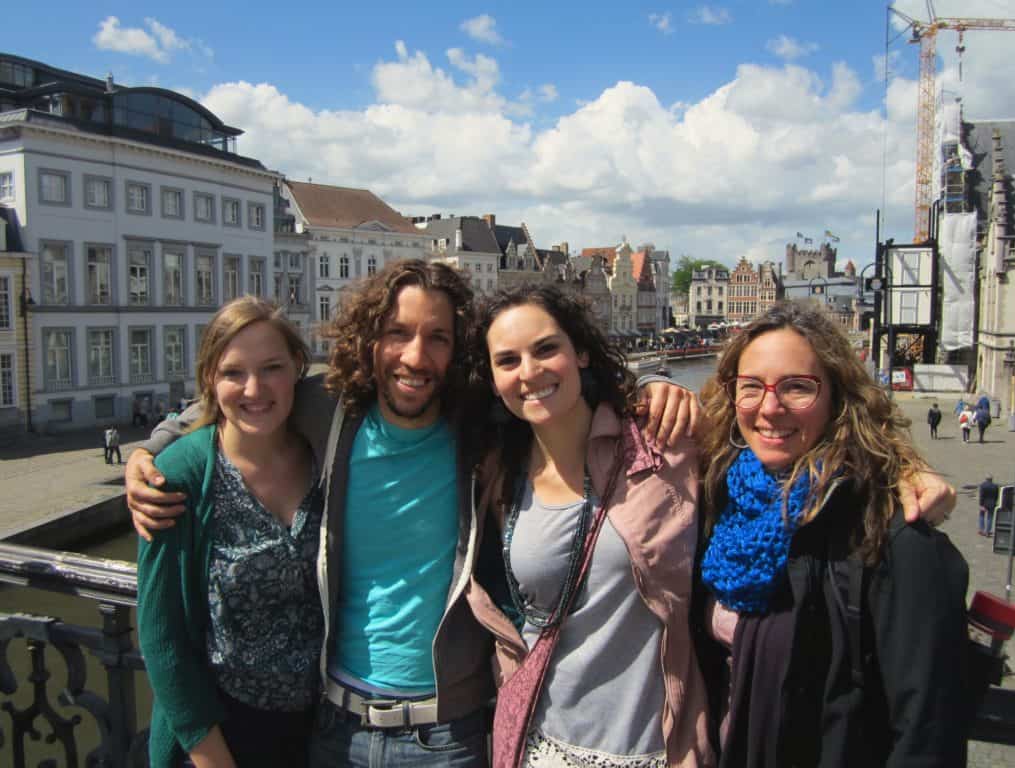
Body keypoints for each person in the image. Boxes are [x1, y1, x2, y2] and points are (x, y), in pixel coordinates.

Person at [127, 259, 701, 767]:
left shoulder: (479, 428)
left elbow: (557, 389)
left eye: (437, 338)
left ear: (459, 351)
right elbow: (245, 392)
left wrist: (650, 387)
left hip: (449, 736)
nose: (414, 357)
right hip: (334, 731)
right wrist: (153, 450)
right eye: (396, 334)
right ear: (369, 340)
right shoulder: (332, 413)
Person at [698, 301, 969, 767]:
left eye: (797, 387)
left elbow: (926, 733)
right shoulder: (719, 498)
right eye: (751, 388)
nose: (769, 407)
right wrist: (653, 383)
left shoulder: (890, 534)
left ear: (838, 397)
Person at [464, 285, 714, 767]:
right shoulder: (498, 473)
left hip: (651, 749)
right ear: (493, 380)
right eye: (508, 360)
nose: (530, 372)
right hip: (539, 745)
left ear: (579, 351)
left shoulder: (660, 445)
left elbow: (775, 452)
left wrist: (897, 471)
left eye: (545, 349)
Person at [137, 297, 322, 768]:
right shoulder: (181, 474)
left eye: (272, 368)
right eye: (233, 373)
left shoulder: (326, 456)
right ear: (209, 382)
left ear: (297, 369)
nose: (254, 388)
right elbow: (162, 637)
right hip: (220, 735)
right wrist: (212, 758)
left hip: (320, 734)